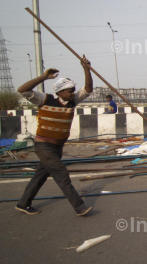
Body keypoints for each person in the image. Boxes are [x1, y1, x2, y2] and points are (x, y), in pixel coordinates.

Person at [15, 55, 94, 215]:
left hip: (57, 147)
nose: (73, 92)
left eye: (73, 90)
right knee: (62, 174)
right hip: (44, 146)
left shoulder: (73, 101)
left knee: (40, 176)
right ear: (60, 92)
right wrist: (43, 77)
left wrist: (86, 69)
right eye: (70, 90)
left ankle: (23, 203)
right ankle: (79, 207)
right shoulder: (45, 99)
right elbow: (22, 90)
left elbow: (88, 90)